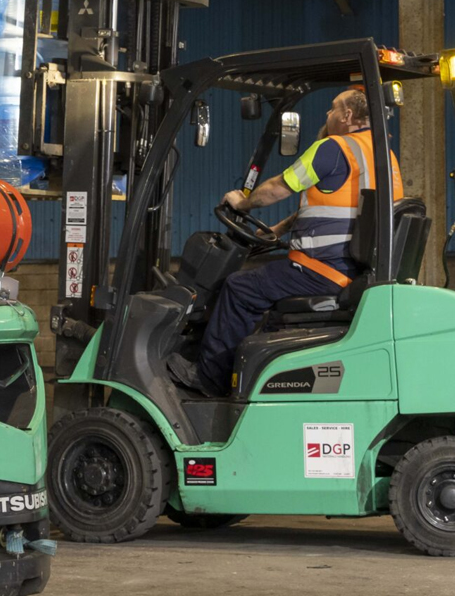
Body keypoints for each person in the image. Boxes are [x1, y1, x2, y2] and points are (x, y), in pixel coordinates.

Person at [166, 88, 404, 398]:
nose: (328, 114)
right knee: (261, 282)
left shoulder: (333, 147)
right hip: (354, 268)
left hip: (323, 270)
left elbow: (278, 187)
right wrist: (280, 228)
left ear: (347, 115)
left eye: (333, 108)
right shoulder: (383, 154)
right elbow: (344, 206)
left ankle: (210, 379)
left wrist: (243, 202)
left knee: (239, 288)